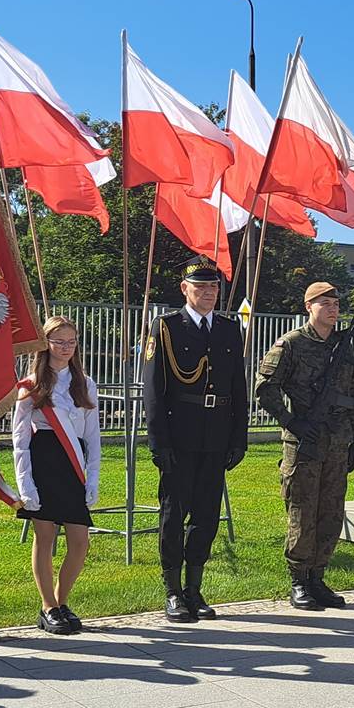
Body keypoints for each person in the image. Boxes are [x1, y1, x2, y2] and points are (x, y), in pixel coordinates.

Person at [145, 260, 249, 624]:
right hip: (180, 433)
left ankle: (194, 589)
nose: (209, 293)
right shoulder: (166, 327)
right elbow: (155, 390)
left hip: (216, 434)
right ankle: (172, 590)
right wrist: (159, 441)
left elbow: (238, 386)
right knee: (174, 515)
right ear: (184, 288)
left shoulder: (228, 328)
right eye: (200, 286)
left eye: (214, 287)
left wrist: (239, 436)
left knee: (206, 516)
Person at [256, 281, 354, 611]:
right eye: (324, 303)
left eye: (335, 303)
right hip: (304, 442)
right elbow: (265, 388)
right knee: (303, 512)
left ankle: (318, 577)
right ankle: (299, 580)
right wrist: (292, 421)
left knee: (331, 513)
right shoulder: (291, 344)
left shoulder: (343, 346)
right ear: (309, 307)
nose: (332, 309)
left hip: (337, 441)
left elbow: (353, 394)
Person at [14, 316, 102, 635]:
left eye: (71, 342)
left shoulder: (85, 383)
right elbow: (20, 437)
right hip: (44, 460)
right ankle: (48, 605)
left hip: (73, 462)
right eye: (59, 341)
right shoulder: (30, 385)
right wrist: (26, 484)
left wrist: (92, 478)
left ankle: (62, 602)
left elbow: (92, 436)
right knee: (46, 536)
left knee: (80, 541)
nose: (66, 348)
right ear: (45, 344)